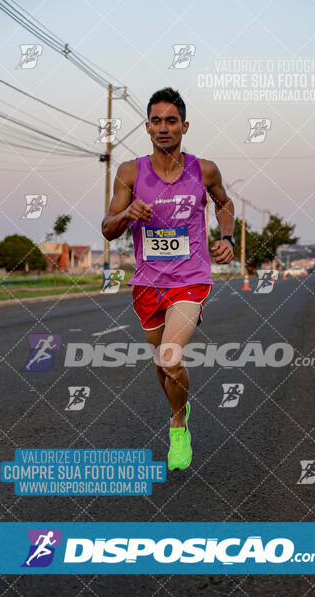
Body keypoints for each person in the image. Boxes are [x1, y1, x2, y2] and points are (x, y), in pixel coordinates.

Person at [102, 87, 235, 471]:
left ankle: (179, 424)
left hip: (191, 278)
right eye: (156, 120)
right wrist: (128, 214)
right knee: (163, 365)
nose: (164, 127)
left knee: (171, 356)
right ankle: (180, 407)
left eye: (171, 120)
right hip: (147, 283)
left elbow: (224, 202)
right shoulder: (129, 172)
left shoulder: (204, 170)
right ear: (147, 127)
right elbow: (108, 229)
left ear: (184, 126)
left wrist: (225, 237)